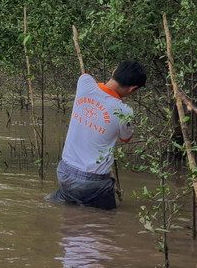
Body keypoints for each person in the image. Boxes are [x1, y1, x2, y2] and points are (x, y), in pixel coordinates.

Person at [48, 60, 146, 210]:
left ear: (114, 72)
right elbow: (125, 138)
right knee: (108, 220)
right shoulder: (125, 112)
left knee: (68, 204)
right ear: (133, 89)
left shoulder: (84, 84)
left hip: (65, 172)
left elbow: (86, 75)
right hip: (93, 183)